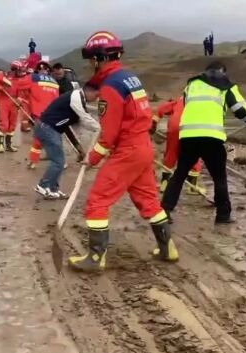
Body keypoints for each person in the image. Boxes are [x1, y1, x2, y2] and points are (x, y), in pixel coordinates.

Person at [67, 31, 177, 272]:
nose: (90, 64)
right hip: (143, 148)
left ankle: (95, 258)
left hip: (127, 151)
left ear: (98, 59)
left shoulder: (111, 87)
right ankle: (168, 248)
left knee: (97, 200)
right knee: (148, 200)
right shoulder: (129, 78)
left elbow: (109, 134)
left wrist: (92, 157)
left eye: (91, 60)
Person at [161, 61, 246, 224]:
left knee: (180, 174)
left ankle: (165, 210)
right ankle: (223, 215)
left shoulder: (192, 84)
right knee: (219, 177)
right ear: (223, 72)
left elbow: (189, 105)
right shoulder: (227, 87)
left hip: (188, 135)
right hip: (211, 137)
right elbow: (242, 112)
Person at [34, 84, 101, 199]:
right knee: (58, 161)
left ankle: (53, 189)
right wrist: (99, 128)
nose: (97, 99)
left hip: (52, 129)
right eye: (96, 95)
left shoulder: (80, 102)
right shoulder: (76, 97)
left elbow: (71, 127)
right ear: (89, 90)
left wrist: (79, 149)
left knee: (59, 161)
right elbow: (85, 118)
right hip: (47, 128)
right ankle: (42, 186)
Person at [151, 96, 204, 194]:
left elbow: (161, 108)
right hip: (190, 126)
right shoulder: (203, 99)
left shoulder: (180, 99)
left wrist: (154, 122)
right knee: (194, 155)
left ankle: (164, 185)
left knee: (170, 153)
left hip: (174, 126)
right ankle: (192, 188)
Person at [13, 61, 59, 169]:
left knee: (45, 138)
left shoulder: (33, 78)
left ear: (37, 70)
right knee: (43, 138)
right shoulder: (54, 81)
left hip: (40, 115)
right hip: (53, 114)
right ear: (48, 70)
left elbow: (19, 85)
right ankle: (34, 160)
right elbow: (57, 99)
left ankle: (58, 160)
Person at [0, 61, 22, 153]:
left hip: (14, 103)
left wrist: (19, 100)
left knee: (12, 125)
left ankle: (9, 145)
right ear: (14, 69)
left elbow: (21, 92)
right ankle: (0, 145)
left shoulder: (20, 79)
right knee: (4, 124)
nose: (21, 72)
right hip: (4, 102)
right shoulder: (5, 76)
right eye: (19, 70)